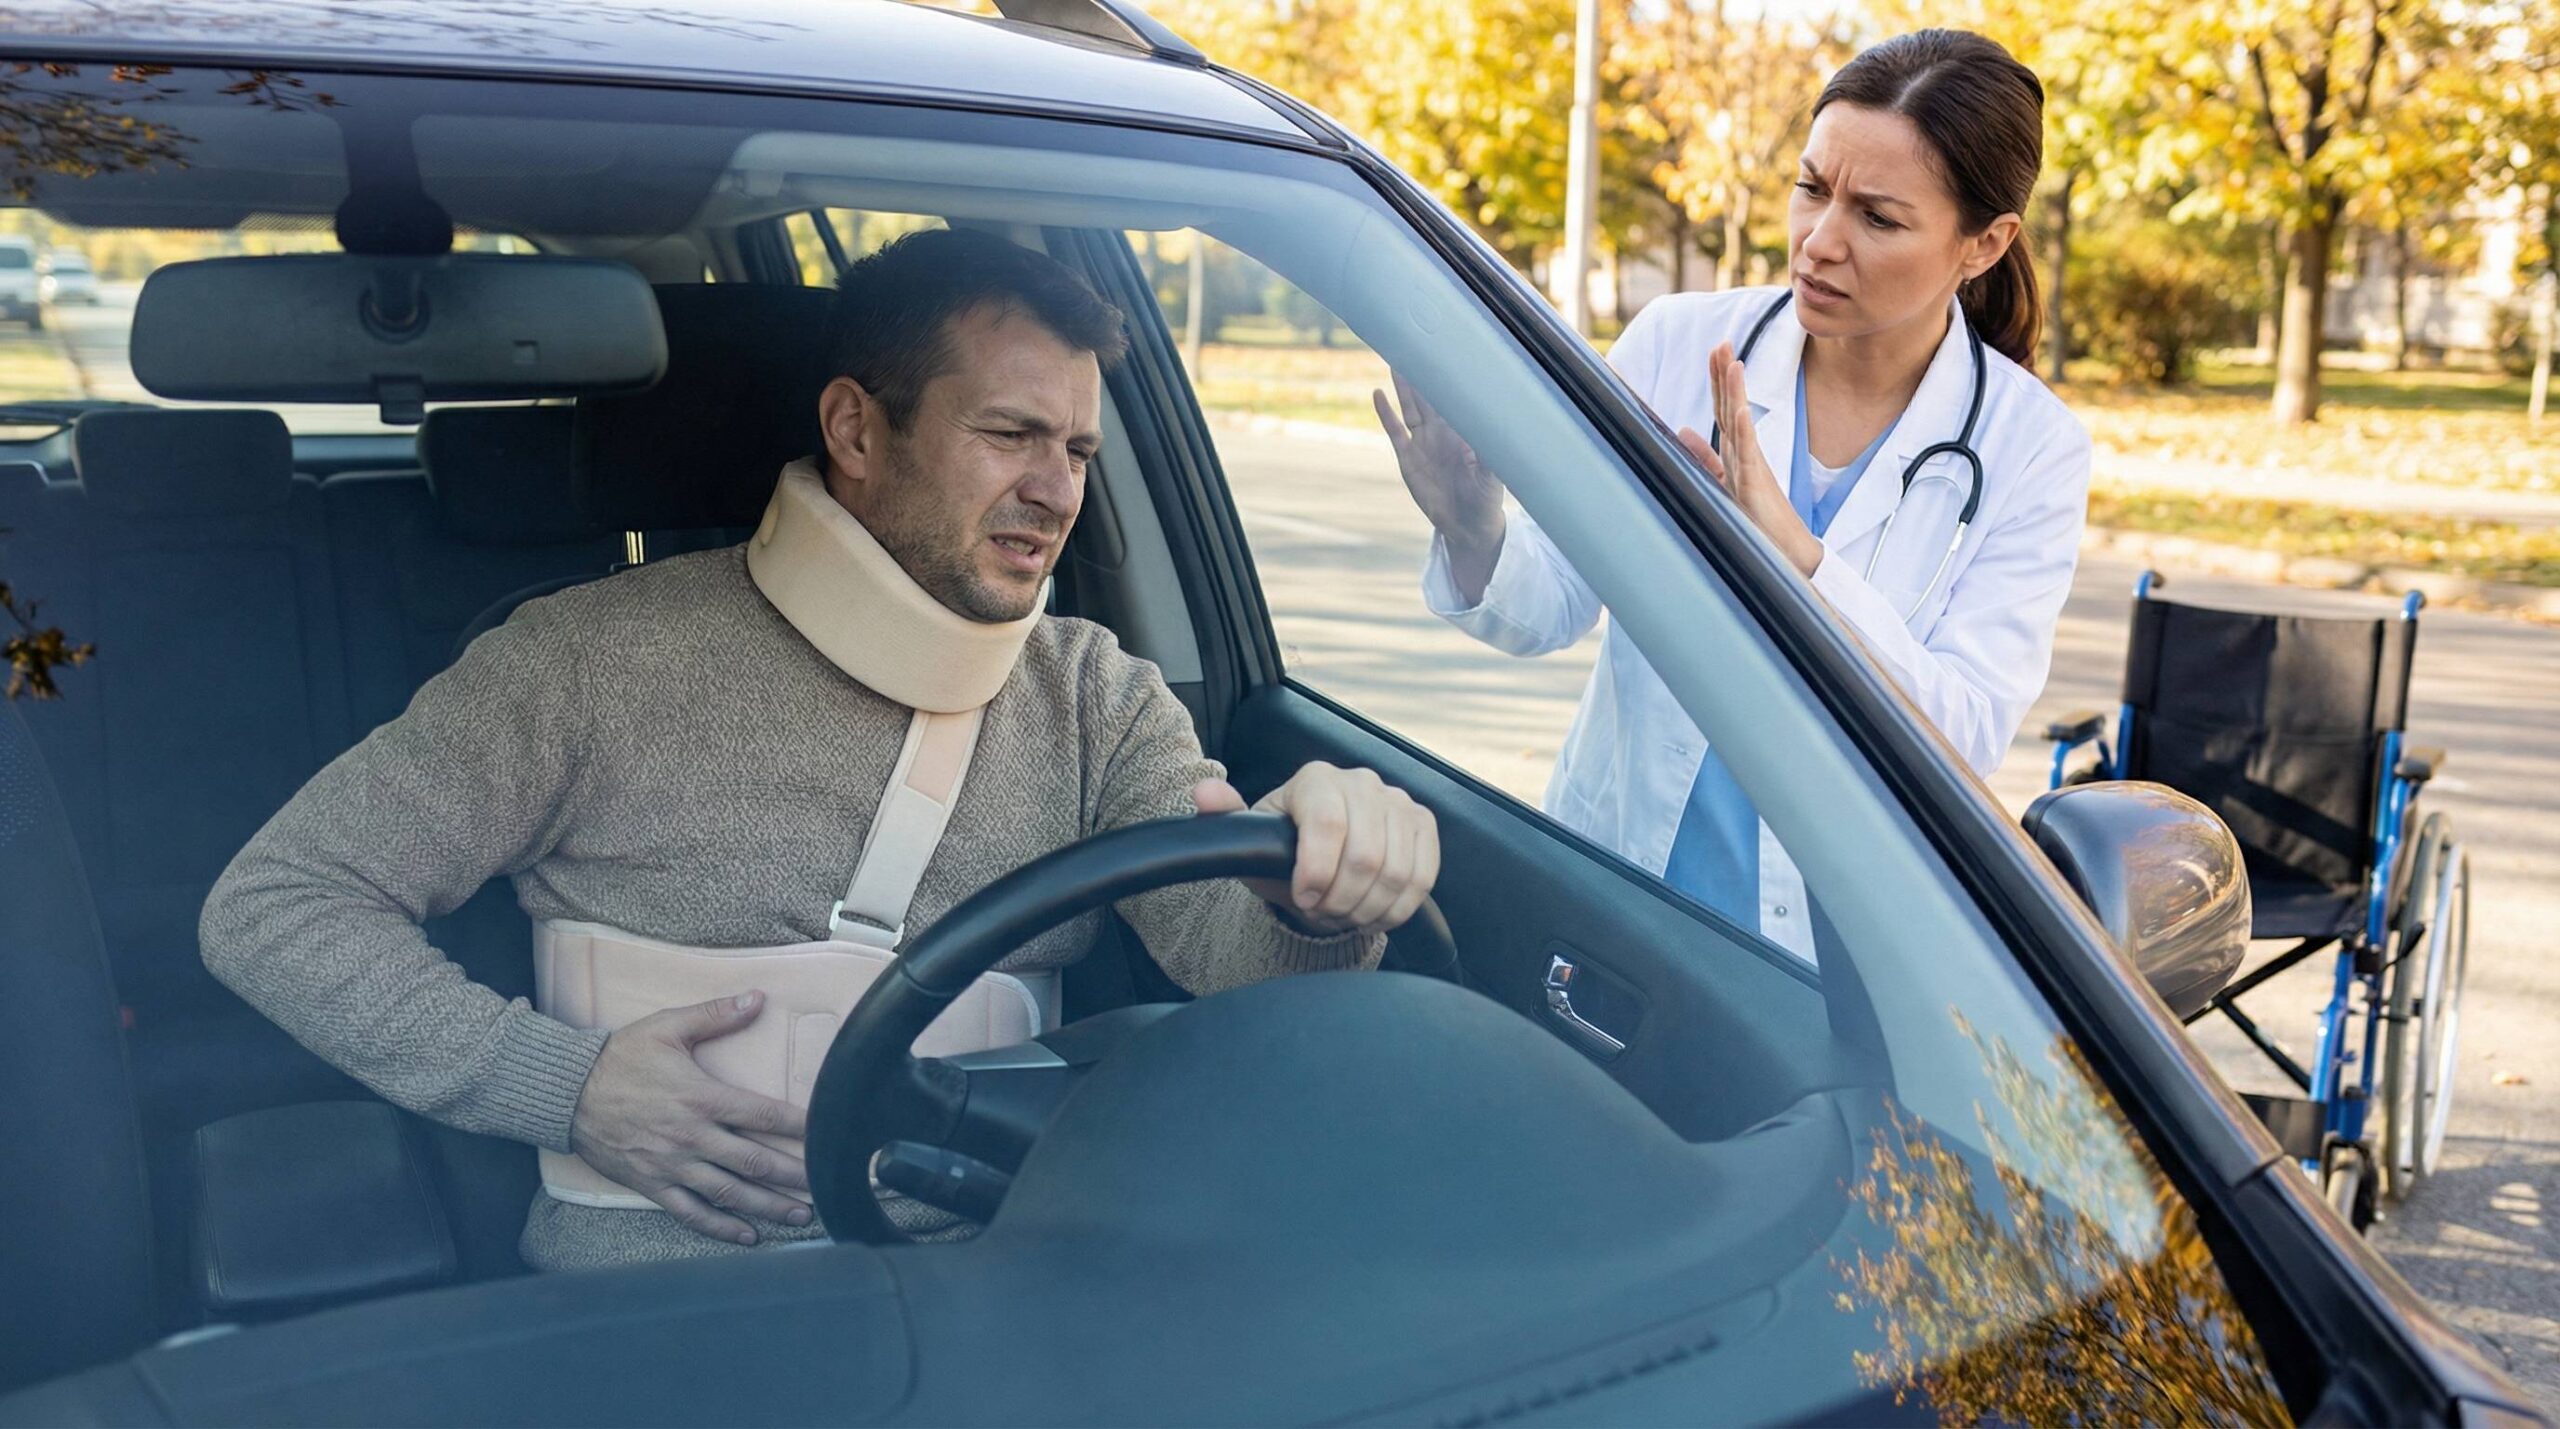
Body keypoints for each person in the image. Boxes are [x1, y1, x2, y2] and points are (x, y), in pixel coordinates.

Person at [201, 228, 1439, 1271]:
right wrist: (565, 1087)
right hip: (651, 1305)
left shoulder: (1092, 693)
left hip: (997, 1279)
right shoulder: (580, 662)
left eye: (1076, 451)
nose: (1058, 492)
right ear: (854, 427)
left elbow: (1241, 971)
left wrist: (1317, 891)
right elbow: (277, 903)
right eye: (1010, 433)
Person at [1380, 29, 2088, 963]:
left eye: (1878, 218)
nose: (1819, 242)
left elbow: (1961, 738)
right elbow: (1554, 602)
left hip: (1830, 957)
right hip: (1615, 890)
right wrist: (1476, 530)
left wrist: (1802, 562)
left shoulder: (2031, 449)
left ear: (1984, 244)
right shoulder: (1678, 343)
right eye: (1812, 188)